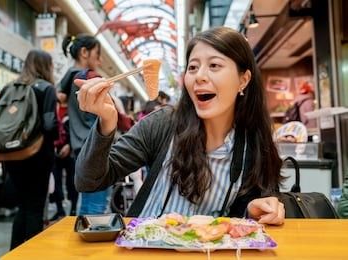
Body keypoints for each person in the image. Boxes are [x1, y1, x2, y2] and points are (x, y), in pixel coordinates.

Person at [74, 26, 285, 225]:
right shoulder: (163, 124)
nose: (199, 76)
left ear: (243, 80)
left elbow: (244, 217)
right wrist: (106, 123)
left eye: (214, 65)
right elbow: (88, 181)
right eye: (193, 67)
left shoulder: (253, 145)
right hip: (142, 247)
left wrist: (256, 209)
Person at [0, 50, 58, 250]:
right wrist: (55, 144)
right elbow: (50, 125)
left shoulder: (10, 87)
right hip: (38, 154)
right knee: (35, 208)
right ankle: (33, 253)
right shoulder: (46, 88)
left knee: (23, 206)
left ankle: (14, 252)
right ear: (45, 66)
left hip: (12, 154)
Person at [57, 34, 111, 215]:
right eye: (97, 53)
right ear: (84, 52)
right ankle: (91, 242)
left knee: (87, 203)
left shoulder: (67, 81)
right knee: (97, 206)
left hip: (79, 147)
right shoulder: (90, 78)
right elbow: (111, 112)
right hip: (97, 146)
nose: (100, 59)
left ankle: (82, 240)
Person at [49, 100, 77, 220]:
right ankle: (59, 209)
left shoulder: (74, 108)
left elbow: (76, 129)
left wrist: (70, 145)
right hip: (55, 150)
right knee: (56, 181)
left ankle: (73, 209)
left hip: (71, 150)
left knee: (72, 181)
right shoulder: (54, 107)